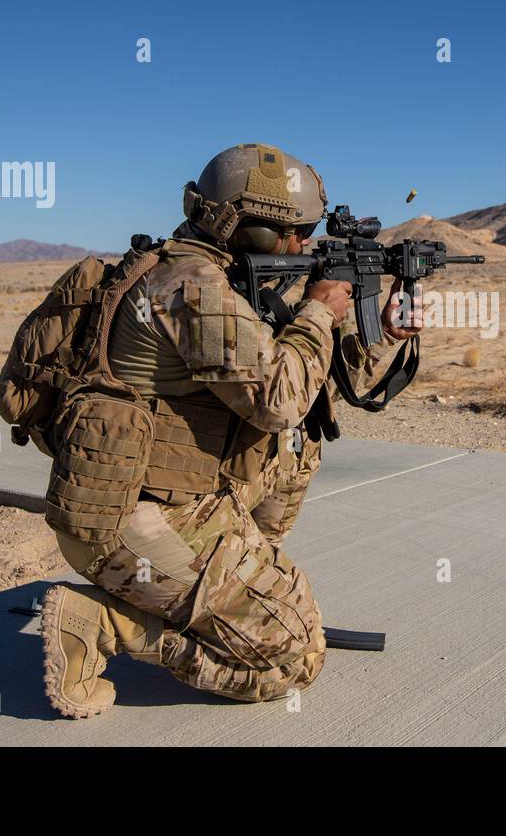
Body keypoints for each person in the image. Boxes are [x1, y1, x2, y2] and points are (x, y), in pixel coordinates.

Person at [40, 142, 418, 717]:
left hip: (173, 495)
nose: (303, 244)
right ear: (247, 227)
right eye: (294, 231)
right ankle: (107, 625)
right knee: (294, 659)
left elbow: (312, 393)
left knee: (299, 446)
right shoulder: (189, 287)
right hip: (131, 520)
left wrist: (383, 333)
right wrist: (319, 311)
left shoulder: (217, 279)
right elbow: (278, 399)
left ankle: (232, 591)